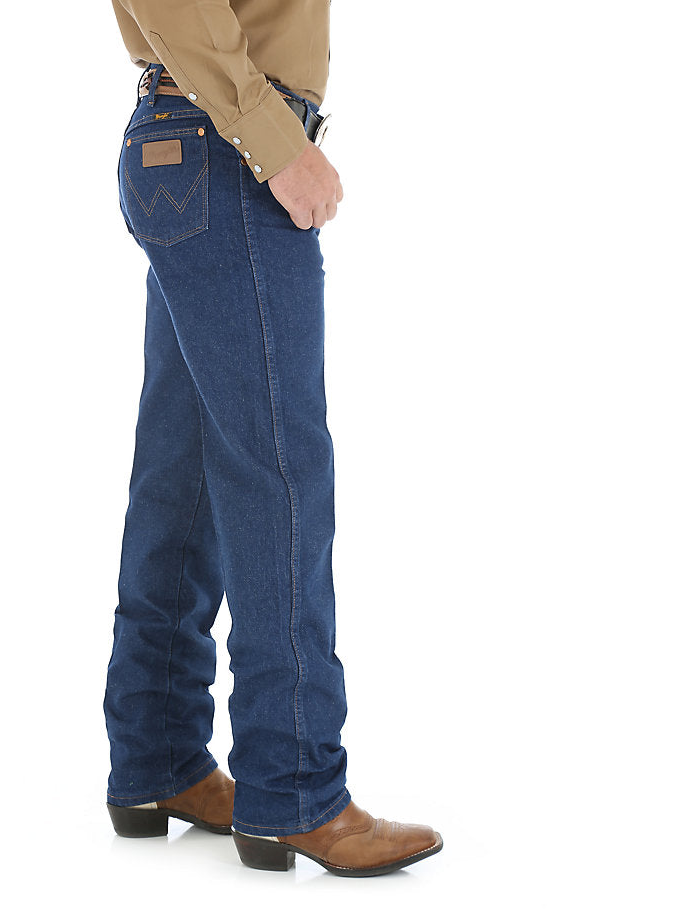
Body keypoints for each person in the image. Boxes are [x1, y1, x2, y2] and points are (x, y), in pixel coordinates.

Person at [102, 0, 443, 876]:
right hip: (229, 147)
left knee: (182, 477)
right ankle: (296, 789)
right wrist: (279, 143)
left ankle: (157, 759)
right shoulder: (253, 137)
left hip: (196, 142)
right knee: (281, 477)